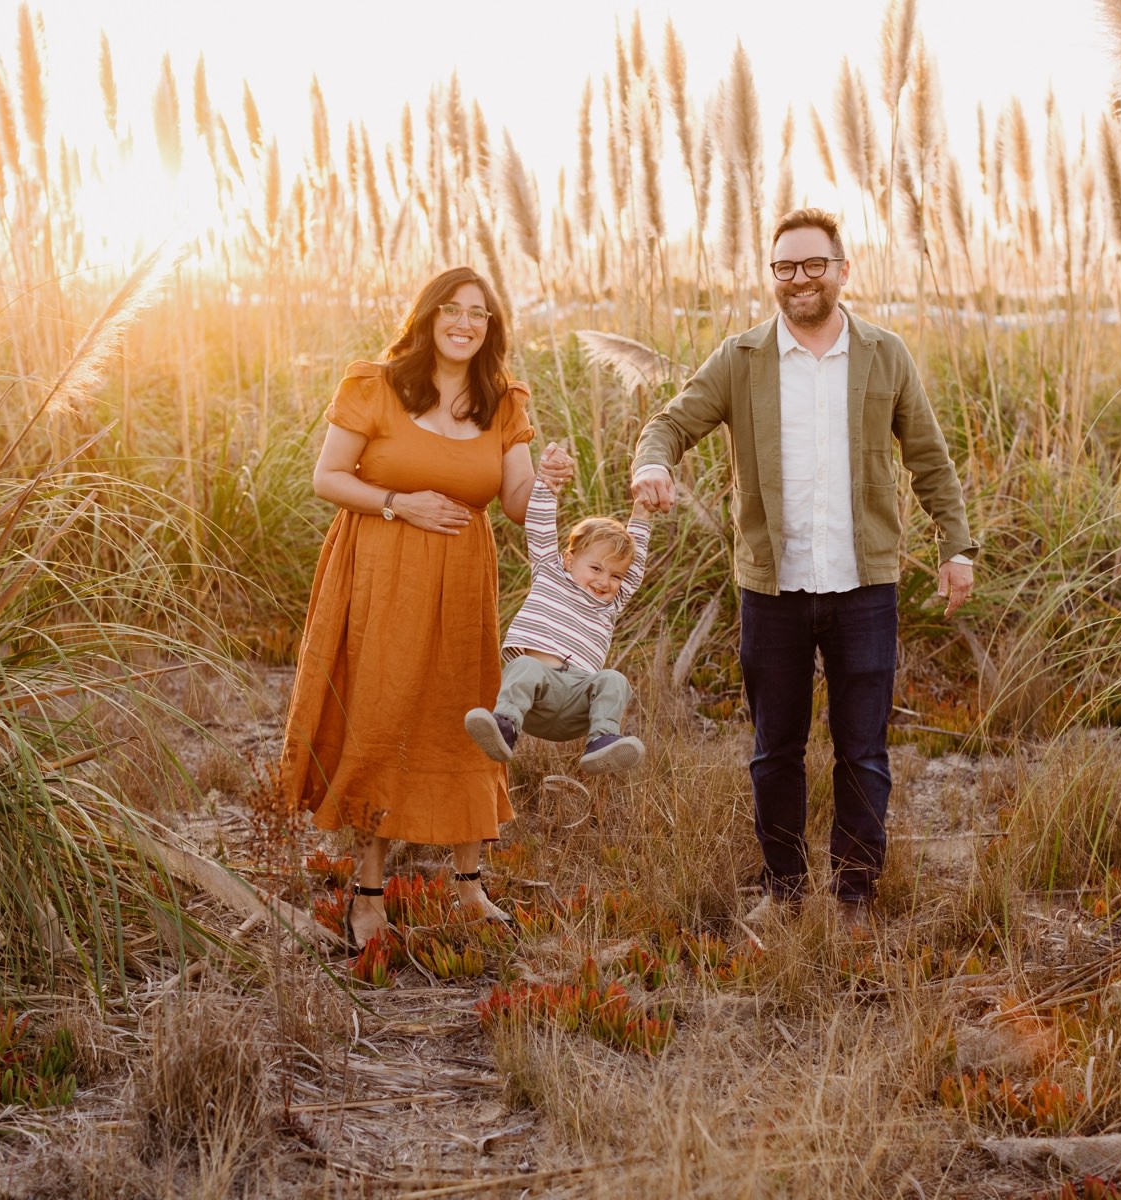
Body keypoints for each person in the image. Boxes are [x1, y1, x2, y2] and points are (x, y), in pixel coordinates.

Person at [629, 208, 976, 934]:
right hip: (774, 589)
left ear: (843, 270)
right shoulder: (741, 358)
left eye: (813, 265)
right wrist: (654, 462)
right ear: (773, 277)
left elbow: (930, 458)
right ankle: (783, 889)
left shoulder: (885, 354)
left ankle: (853, 896)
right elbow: (671, 422)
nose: (799, 280)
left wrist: (957, 546)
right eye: (784, 267)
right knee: (775, 749)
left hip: (865, 587)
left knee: (864, 749)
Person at [277, 266, 575, 952]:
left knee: (464, 716)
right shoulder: (375, 385)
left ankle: (468, 886)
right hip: (381, 574)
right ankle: (369, 890)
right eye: (452, 310)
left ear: (490, 327)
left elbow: (520, 503)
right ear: (427, 317)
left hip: (463, 582)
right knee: (384, 717)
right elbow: (327, 477)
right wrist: (397, 503)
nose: (465, 323)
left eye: (479, 313)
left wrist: (550, 483)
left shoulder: (504, 403)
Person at [464, 442, 653, 775]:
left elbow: (635, 564)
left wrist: (643, 511)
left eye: (615, 575)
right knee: (526, 666)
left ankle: (602, 740)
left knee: (614, 680)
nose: (605, 581)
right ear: (569, 560)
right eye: (596, 569)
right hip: (533, 698)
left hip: (575, 706)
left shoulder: (612, 603)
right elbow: (538, 526)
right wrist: (547, 485)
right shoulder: (550, 572)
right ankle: (504, 728)